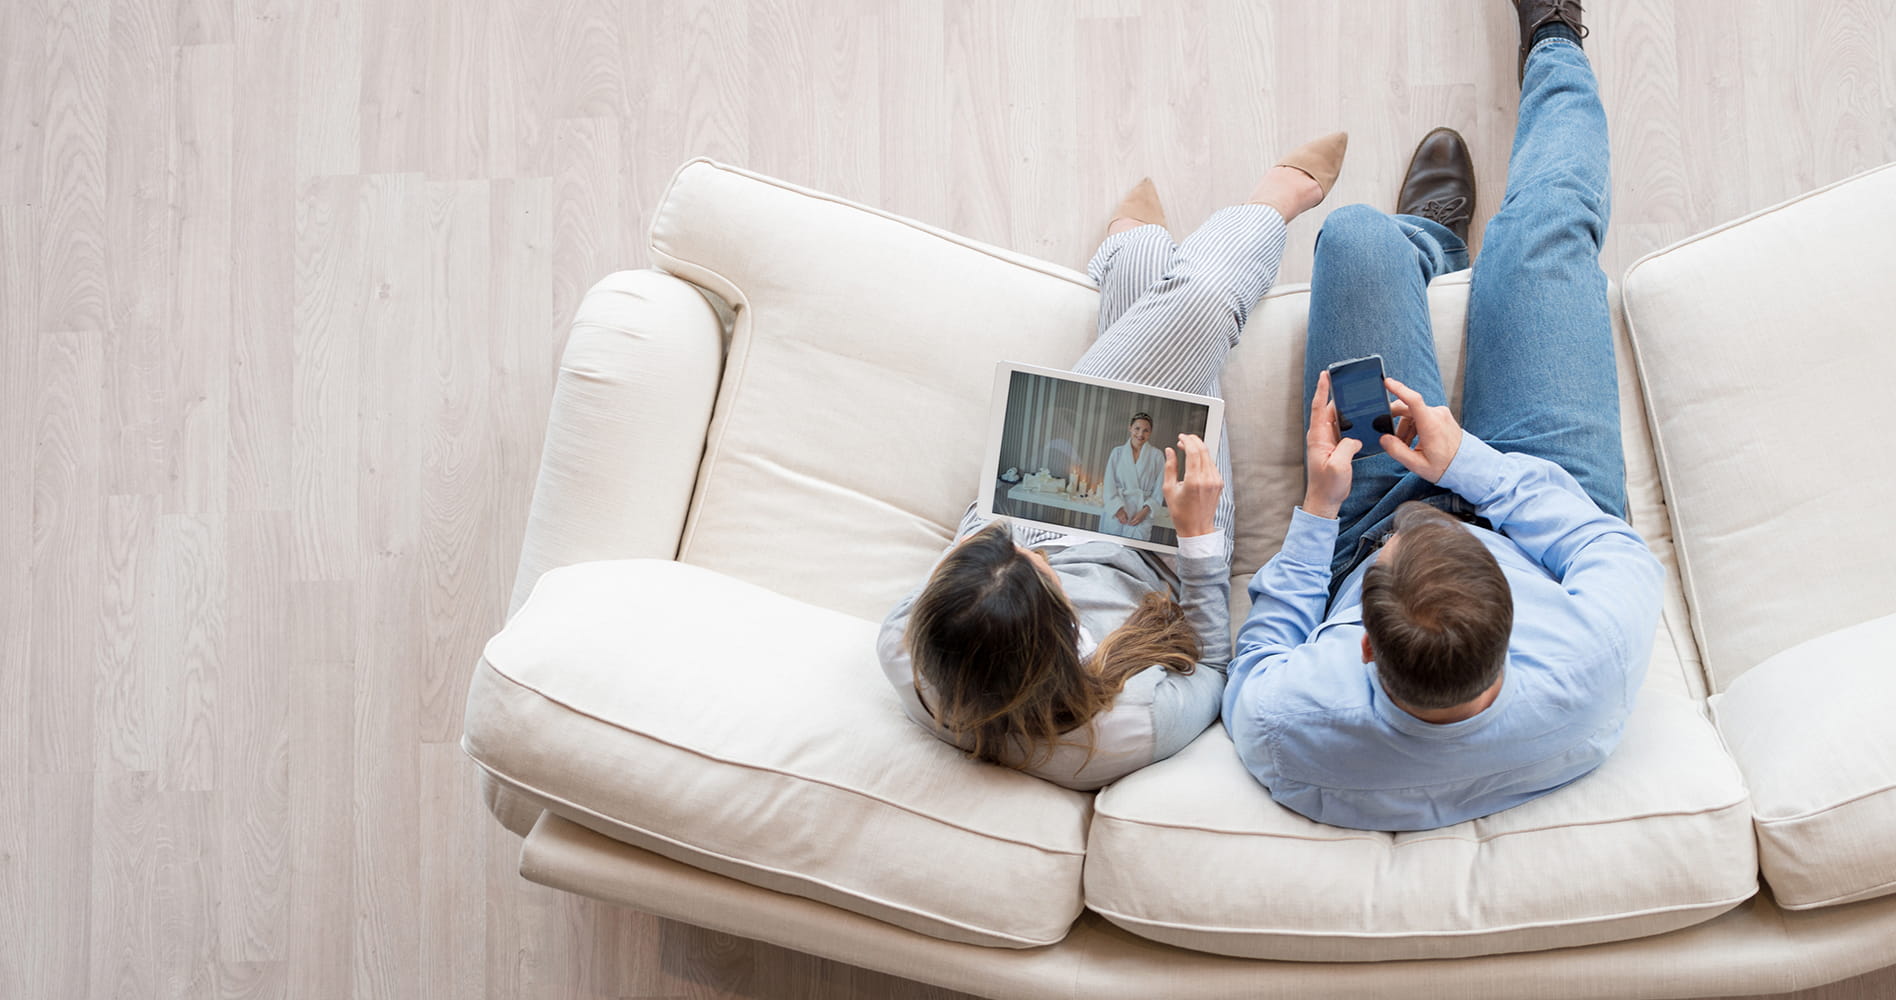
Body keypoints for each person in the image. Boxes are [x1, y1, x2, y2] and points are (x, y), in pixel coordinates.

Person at [1223, 1, 1666, 831]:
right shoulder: (1594, 651)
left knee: (1356, 237)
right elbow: (1602, 543)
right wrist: (1468, 464)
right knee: (1543, 235)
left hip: (1359, 522)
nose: (1433, 519)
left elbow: (1258, 661)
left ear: (1361, 647)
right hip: (1541, 501)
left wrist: (1324, 509)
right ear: (1515, 626)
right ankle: (1556, 40)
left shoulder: (1291, 728)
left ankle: (1428, 242)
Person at [878, 133, 1351, 790]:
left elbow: (977, 546)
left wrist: (1010, 522)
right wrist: (1196, 537)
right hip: (1163, 544)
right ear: (1062, 639)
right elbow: (1213, 668)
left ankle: (1135, 252)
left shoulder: (906, 649)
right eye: (1041, 575)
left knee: (1155, 293)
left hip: (1032, 500)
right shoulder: (1130, 724)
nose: (1039, 555)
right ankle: (1251, 209)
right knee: (1202, 301)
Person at [1098, 412, 1165, 539]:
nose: (1140, 434)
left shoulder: (1157, 456)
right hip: (1117, 511)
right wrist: (1117, 509)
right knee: (1109, 548)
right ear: (1130, 428)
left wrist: (1145, 512)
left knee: (1133, 553)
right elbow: (1109, 484)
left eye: (1146, 430)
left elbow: (1159, 490)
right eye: (1137, 429)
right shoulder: (1117, 453)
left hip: (1141, 514)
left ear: (1150, 433)